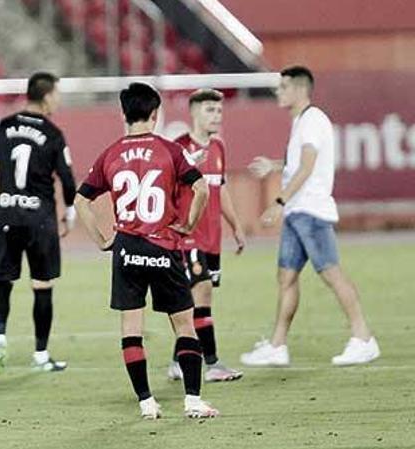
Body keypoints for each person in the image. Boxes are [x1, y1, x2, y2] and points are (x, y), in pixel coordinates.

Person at [74, 82, 219, 420]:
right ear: (155, 114)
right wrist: (187, 224)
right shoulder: (170, 149)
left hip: (126, 247)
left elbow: (81, 200)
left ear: (124, 114)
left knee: (131, 328)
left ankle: (146, 402)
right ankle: (193, 401)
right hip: (163, 244)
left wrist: (100, 238)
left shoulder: (110, 153)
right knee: (184, 325)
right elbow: (201, 188)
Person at [241, 66, 379, 367]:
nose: (278, 92)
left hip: (310, 210)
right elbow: (298, 162)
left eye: (283, 87)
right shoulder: (303, 121)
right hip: (298, 211)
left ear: (300, 89)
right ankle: (277, 346)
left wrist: (279, 201)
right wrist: (275, 166)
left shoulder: (312, 120)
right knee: (286, 277)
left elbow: (307, 166)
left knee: (331, 272)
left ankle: (363, 338)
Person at [0, 72, 77, 376]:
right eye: (57, 94)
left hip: (7, 215)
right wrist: (70, 210)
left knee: (2, 282)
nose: (58, 99)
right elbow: (69, 180)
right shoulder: (53, 133)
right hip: (41, 221)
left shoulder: (5, 127)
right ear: (47, 96)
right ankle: (40, 354)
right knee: (42, 286)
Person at [167, 88, 245, 383]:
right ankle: (211, 363)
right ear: (194, 113)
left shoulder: (218, 148)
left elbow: (219, 188)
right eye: (210, 110)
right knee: (202, 292)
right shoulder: (178, 149)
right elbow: (166, 189)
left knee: (195, 301)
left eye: (219, 111)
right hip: (188, 237)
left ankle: (177, 360)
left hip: (212, 237)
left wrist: (236, 225)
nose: (216, 116)